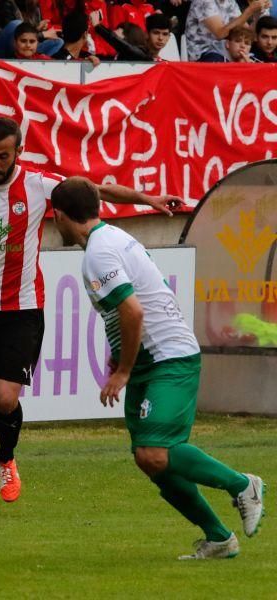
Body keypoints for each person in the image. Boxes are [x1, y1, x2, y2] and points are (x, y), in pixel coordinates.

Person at [0, 117, 179, 517]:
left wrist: (148, 199)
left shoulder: (38, 184)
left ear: (19, 151)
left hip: (22, 310)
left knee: (5, 398)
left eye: (3, 156)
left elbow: (95, 189)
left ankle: (7, 458)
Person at [50, 176, 265, 560]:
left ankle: (242, 485)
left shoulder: (98, 253)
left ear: (59, 215)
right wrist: (120, 357)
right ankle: (219, 538)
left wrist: (122, 372)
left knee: (155, 451)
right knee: (149, 459)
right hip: (151, 359)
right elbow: (123, 314)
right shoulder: (109, 236)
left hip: (168, 357)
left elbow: (133, 310)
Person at [185, 0, 270, 62]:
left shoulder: (230, 2)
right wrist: (249, 10)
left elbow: (248, 33)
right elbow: (220, 33)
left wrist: (257, 14)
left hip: (228, 51)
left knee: (256, 62)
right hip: (203, 55)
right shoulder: (204, 2)